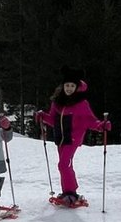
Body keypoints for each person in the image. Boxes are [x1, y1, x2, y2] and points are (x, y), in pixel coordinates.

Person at [35, 73, 110, 206]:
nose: (69, 88)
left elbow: (90, 120)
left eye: (72, 86)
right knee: (65, 165)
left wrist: (101, 126)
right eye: (67, 85)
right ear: (63, 86)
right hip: (61, 138)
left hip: (73, 138)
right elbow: (53, 120)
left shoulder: (81, 103)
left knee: (63, 164)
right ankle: (66, 192)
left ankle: (71, 193)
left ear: (77, 88)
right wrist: (43, 116)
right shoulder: (57, 102)